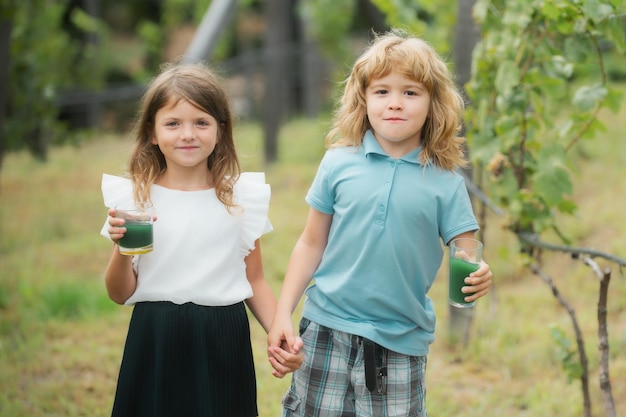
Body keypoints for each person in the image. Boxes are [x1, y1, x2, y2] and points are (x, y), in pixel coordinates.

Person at [267, 29, 493, 417]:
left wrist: (480, 275)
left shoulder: (447, 183)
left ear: (432, 103)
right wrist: (282, 313)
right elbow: (310, 243)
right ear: (364, 99)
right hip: (325, 328)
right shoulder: (338, 163)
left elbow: (467, 254)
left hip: (400, 341)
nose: (395, 103)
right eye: (382, 91)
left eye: (410, 92)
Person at [100, 62, 302, 417]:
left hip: (222, 336)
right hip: (155, 337)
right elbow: (119, 293)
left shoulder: (240, 199)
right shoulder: (135, 200)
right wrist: (120, 248)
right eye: (173, 123)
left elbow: (253, 278)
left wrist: (278, 331)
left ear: (220, 130)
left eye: (201, 122)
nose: (187, 134)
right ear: (152, 131)